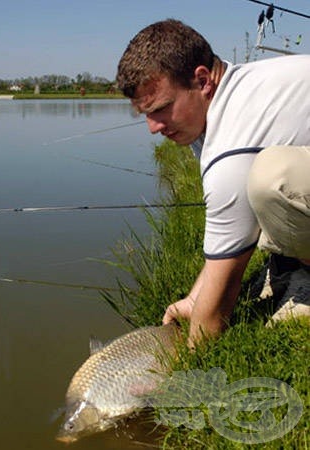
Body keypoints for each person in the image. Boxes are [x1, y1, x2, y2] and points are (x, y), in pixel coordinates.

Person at [116, 19, 310, 344]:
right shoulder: (228, 96)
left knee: (273, 179)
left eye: (161, 109)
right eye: (145, 114)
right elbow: (229, 233)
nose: (153, 127)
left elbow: (216, 309)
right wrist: (194, 300)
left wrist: (193, 359)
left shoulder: (234, 141)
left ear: (203, 80)